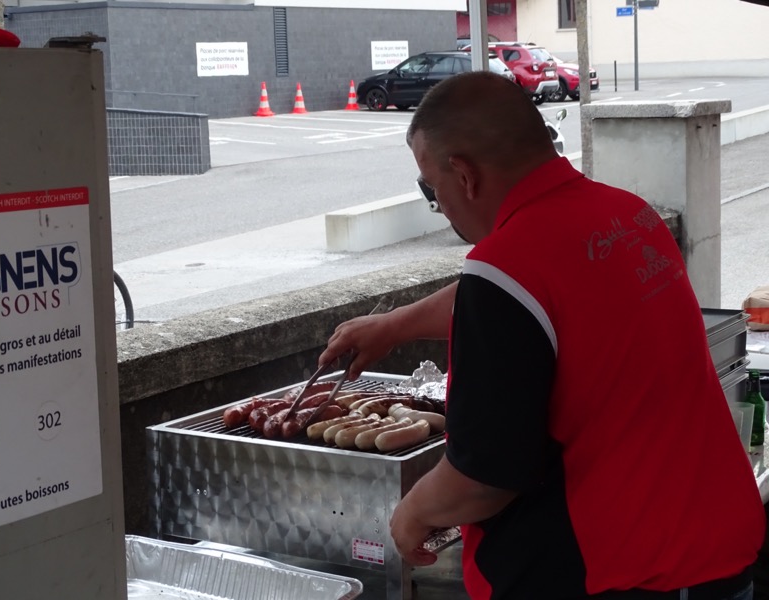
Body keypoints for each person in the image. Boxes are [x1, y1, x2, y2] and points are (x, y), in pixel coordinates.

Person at [318, 71, 765, 600]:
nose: (440, 204)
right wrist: (395, 325)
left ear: (463, 175)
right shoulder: (626, 214)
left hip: (618, 573)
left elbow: (483, 478)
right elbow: (538, 296)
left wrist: (411, 513)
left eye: (431, 188)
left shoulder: (508, 266)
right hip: (715, 543)